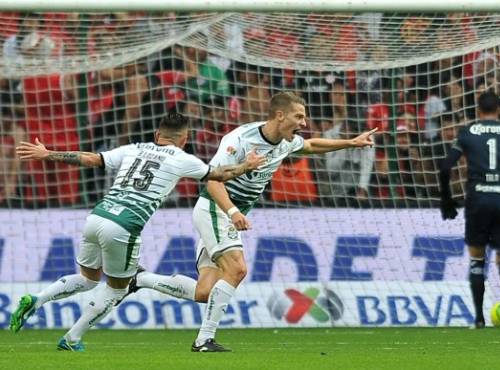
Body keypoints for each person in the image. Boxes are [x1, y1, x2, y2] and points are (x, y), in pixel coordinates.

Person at [118, 91, 377, 352]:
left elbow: (310, 146)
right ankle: (204, 340)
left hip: (228, 213)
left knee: (205, 292)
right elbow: (212, 180)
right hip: (215, 208)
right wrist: (233, 212)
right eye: (299, 117)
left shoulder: (285, 142)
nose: (304, 123)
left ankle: (140, 280)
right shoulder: (240, 139)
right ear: (279, 115)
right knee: (238, 270)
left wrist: (352, 143)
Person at [9, 112, 265, 351]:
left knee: (88, 278)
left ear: (157, 135)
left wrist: (48, 153)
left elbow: (91, 158)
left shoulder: (134, 149)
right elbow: (219, 175)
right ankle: (72, 338)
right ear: (185, 139)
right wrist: (246, 165)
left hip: (97, 216)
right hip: (124, 226)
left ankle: (38, 298)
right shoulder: (183, 159)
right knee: (118, 288)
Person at [439, 91, 500, 329]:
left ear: (478, 110)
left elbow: (445, 167)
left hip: (478, 198)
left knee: (477, 259)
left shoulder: (468, 132)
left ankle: (479, 319)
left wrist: (447, 200)